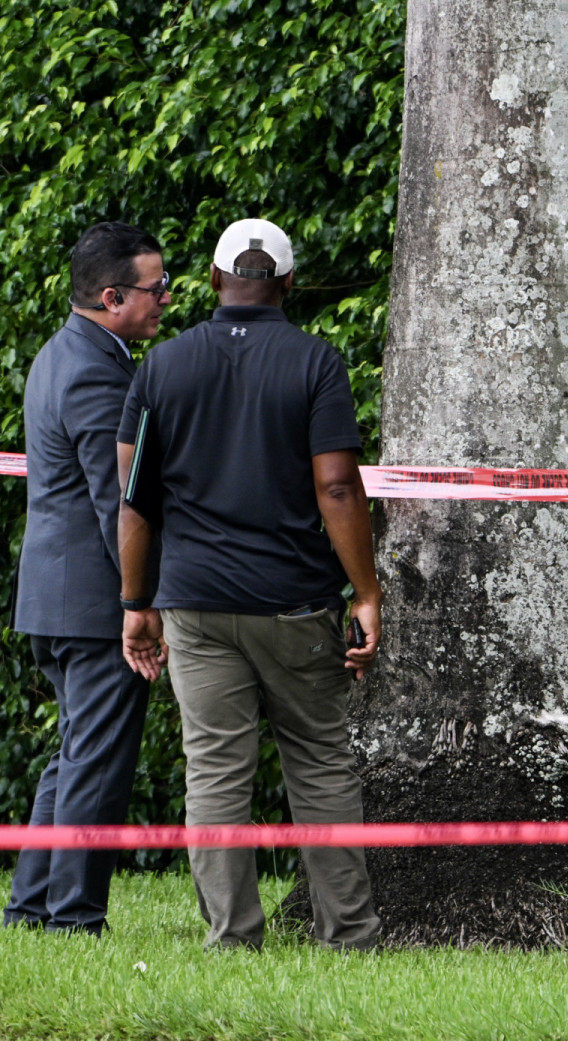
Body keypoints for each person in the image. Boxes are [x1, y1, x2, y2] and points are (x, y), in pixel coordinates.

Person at [116, 218, 383, 950]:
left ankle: (232, 938)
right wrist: (367, 592)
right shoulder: (316, 362)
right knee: (322, 764)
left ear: (210, 279)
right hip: (295, 601)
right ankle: (349, 934)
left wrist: (136, 605)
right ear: (288, 283)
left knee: (215, 774)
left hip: (195, 603)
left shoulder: (161, 367)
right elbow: (337, 486)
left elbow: (134, 500)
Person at [4, 223, 173, 934]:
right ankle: (74, 917)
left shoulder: (56, 354)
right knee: (97, 761)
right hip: (92, 599)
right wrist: (141, 600)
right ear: (112, 297)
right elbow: (117, 502)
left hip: (53, 595)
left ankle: (31, 905)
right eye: (155, 287)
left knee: (75, 753)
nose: (167, 298)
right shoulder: (100, 370)